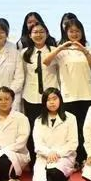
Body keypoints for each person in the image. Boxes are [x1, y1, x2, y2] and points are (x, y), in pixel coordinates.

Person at [49, 18, 91, 165]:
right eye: (71, 31)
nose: (74, 34)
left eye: (77, 31)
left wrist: (84, 50)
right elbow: (46, 61)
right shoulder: (61, 50)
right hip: (68, 95)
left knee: (85, 127)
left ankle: (85, 157)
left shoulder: (87, 47)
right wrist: (60, 48)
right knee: (72, 128)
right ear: (66, 32)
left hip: (86, 93)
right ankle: (74, 159)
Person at [21, 23, 59, 161]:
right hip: (31, 96)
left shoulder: (55, 51)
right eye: (35, 32)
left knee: (51, 127)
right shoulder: (24, 53)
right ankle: (34, 160)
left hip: (50, 97)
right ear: (30, 35)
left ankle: (53, 157)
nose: (38, 35)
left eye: (41, 32)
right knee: (33, 129)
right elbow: (23, 75)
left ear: (47, 34)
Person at [32, 87, 78, 181]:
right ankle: (54, 180)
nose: (52, 102)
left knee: (54, 171)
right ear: (44, 102)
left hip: (64, 156)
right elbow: (38, 144)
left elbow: (73, 143)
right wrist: (49, 153)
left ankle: (65, 179)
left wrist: (56, 153)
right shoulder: (38, 120)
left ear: (60, 100)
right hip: (45, 157)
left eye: (54, 99)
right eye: (48, 100)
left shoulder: (70, 118)